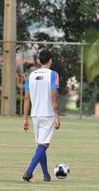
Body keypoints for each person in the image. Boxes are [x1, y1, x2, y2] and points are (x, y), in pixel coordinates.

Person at [22, 50, 60, 182]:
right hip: (48, 113)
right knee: (44, 144)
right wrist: (57, 115)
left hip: (35, 114)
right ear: (50, 61)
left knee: (41, 144)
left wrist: (25, 118)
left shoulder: (31, 76)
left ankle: (46, 175)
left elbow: (26, 99)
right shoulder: (53, 74)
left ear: (39, 61)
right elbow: (54, 95)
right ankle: (28, 172)